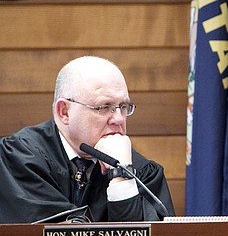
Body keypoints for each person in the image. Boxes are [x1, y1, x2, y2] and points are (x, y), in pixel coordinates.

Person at [0, 56, 175, 223]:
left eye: (123, 107)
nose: (119, 119)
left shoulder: (141, 172)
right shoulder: (21, 159)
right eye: (104, 107)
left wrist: (121, 177)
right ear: (64, 112)